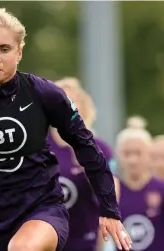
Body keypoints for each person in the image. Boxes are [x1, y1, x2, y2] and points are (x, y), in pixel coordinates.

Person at [0, 5, 131, 251]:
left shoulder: (43, 93)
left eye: (5, 49)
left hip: (41, 209)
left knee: (22, 248)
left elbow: (86, 145)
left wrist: (109, 208)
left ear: (19, 53)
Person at [48, 77, 121, 251]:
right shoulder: (37, 144)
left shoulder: (97, 147)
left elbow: (113, 195)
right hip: (46, 236)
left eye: (71, 101)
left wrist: (88, 166)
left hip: (85, 238)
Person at [107, 116, 164, 251]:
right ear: (118, 155)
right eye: (127, 154)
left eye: (138, 153)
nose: (132, 160)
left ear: (149, 154)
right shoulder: (111, 191)